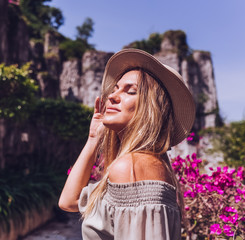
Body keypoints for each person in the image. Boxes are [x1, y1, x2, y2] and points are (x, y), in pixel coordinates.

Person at [58, 48, 196, 240]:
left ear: (151, 109)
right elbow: (68, 202)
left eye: (130, 91)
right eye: (114, 89)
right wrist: (93, 138)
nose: (112, 97)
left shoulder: (132, 167)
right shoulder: (141, 164)